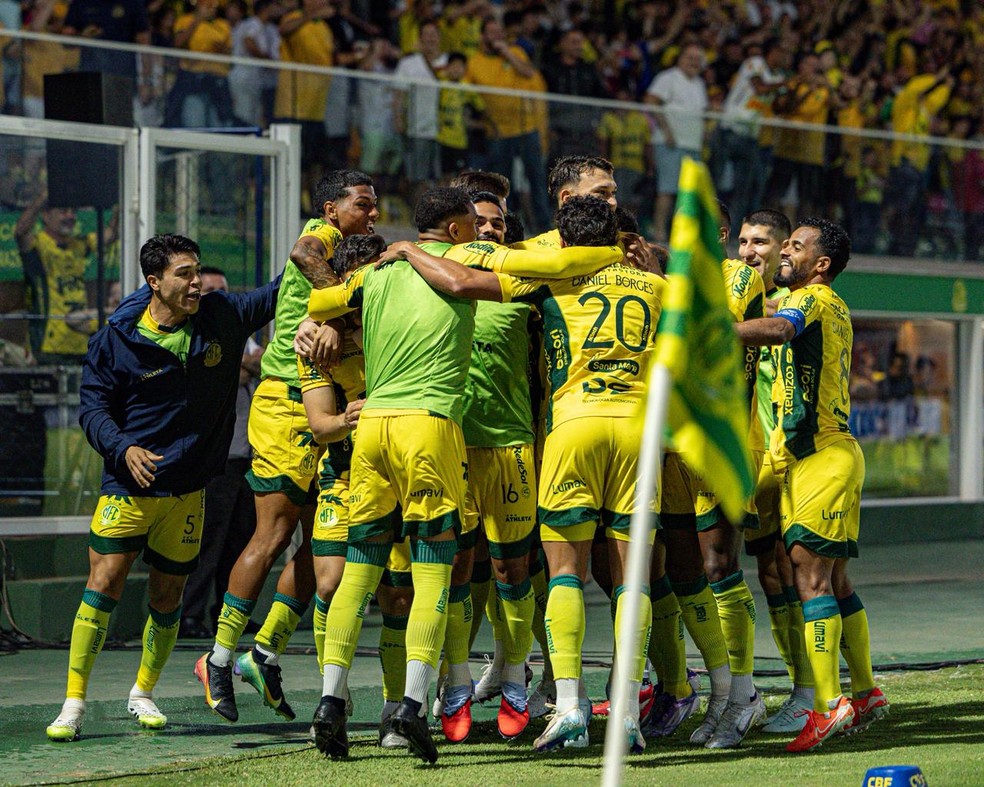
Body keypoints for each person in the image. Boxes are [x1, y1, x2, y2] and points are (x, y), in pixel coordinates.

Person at [387, 194, 664, 755]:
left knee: (564, 575)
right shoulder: (658, 288)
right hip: (640, 431)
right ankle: (629, 713)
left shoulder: (548, 278)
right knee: (632, 579)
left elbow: (463, 285)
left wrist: (409, 252)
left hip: (574, 427)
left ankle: (568, 705)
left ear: (561, 234)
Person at [44, 233, 280, 741]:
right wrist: (122, 447)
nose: (196, 283)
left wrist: (323, 240)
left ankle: (143, 693)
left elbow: (281, 290)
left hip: (188, 491)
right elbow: (93, 407)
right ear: (155, 282)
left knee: (169, 594)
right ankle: (73, 702)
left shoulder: (222, 315)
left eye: (197, 271)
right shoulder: (118, 336)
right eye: (184, 274)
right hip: (127, 486)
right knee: (103, 583)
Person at [197, 170, 378, 725]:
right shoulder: (317, 238)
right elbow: (302, 253)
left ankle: (265, 651)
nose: (371, 214)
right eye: (362, 205)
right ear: (330, 209)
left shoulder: (358, 256)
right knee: (273, 534)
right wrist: (336, 308)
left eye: (375, 207)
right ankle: (219, 658)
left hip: (333, 404)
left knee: (324, 547)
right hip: (286, 403)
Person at [736, 218, 889, 753]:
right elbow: (771, 314)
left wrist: (703, 331)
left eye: (794, 247)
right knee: (834, 580)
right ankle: (866, 692)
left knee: (811, 579)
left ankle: (826, 705)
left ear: (820, 265)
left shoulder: (815, 300)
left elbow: (778, 328)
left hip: (821, 456)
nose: (783, 252)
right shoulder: (813, 302)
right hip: (823, 455)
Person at [735, 209, 817, 735]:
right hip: (752, 460)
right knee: (768, 574)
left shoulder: (797, 305)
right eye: (743, 241)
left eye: (760, 241)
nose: (749, 251)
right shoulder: (740, 298)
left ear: (782, 246)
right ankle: (796, 688)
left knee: (803, 574)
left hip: (795, 458)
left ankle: (815, 691)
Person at [179, 267, 264, 639]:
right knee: (208, 539)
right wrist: (242, 364)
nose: (215, 297)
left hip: (248, 454)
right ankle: (190, 615)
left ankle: (229, 613)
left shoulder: (238, 332)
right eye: (208, 290)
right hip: (217, 457)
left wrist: (245, 363)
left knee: (241, 537)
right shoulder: (193, 333)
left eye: (222, 290)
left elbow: (260, 363)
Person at [466, 18, 551, 232]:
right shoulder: (474, 62)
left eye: (499, 32)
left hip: (526, 128)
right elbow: (467, 95)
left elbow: (528, 72)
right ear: (482, 36)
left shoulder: (516, 53)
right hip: (498, 132)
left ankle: (545, 228)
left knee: (537, 180)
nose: (496, 37)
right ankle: (509, 228)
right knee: (503, 184)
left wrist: (507, 53)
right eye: (491, 32)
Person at [16, 191, 117, 365]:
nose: (70, 216)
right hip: (49, 344)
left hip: (80, 340)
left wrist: (120, 205)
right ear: (46, 216)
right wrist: (43, 197)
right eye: (63, 211)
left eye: (73, 212)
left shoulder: (78, 244)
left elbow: (110, 235)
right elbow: (20, 232)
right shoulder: (38, 244)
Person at [644, 43, 708, 241]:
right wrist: (667, 130)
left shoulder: (699, 83)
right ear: (680, 58)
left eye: (698, 59)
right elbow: (651, 101)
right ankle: (660, 232)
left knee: (687, 193)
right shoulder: (667, 78)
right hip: (670, 143)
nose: (694, 62)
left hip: (692, 145)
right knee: (667, 190)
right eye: (690, 57)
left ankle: (679, 235)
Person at [393, 19, 448, 188]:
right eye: (426, 35)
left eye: (434, 35)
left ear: (439, 37)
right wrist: (398, 119)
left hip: (447, 131)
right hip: (418, 130)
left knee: (445, 178)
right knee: (418, 178)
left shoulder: (449, 62)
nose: (430, 39)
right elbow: (399, 94)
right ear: (420, 38)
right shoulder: (408, 64)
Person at [228, 0, 282, 128]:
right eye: (276, 5)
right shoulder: (252, 23)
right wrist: (267, 60)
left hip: (255, 78)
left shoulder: (267, 27)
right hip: (243, 76)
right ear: (266, 8)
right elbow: (249, 42)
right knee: (243, 113)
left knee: (254, 115)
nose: (279, 8)